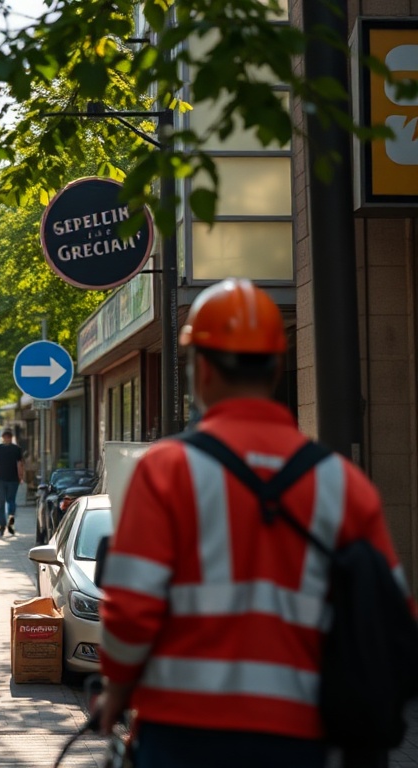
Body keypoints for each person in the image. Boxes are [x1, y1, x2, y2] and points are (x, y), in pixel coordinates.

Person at [96, 278, 406, 767]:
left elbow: (132, 610)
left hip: (182, 735)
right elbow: (393, 616)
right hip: (303, 738)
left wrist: (116, 693)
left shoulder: (166, 470)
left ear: (200, 369)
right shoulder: (343, 484)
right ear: (278, 365)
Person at [0, 429, 24, 536]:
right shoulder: (17, 449)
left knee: (0, 503)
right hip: (13, 479)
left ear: (3, 437)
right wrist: (21, 477)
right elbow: (20, 465)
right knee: (11, 501)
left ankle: (2, 526)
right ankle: (11, 521)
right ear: (11, 437)